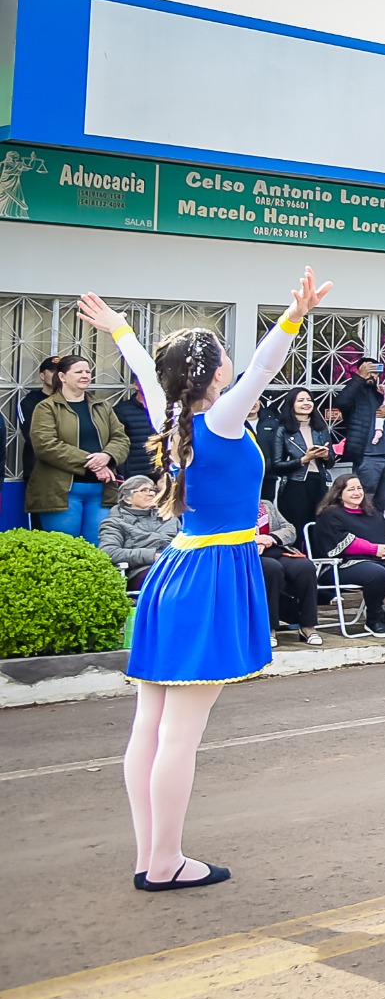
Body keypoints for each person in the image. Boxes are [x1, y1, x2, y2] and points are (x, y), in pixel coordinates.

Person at [78, 269, 329, 891]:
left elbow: (145, 368)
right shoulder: (220, 421)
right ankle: (164, 863)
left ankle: (153, 857)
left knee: (151, 725)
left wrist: (120, 329)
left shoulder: (170, 417)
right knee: (178, 735)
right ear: (215, 374)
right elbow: (265, 367)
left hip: (178, 570)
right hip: (210, 574)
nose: (231, 364)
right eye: (222, 356)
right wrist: (293, 317)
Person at [27, 353, 130, 540]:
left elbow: (120, 438)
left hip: (101, 491)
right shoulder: (46, 407)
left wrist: (107, 456)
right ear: (62, 376)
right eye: (78, 372)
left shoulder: (102, 406)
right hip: (61, 492)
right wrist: (93, 463)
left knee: (98, 547)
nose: (85, 375)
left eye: (88, 372)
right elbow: (46, 445)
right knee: (64, 547)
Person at [313, 473, 385, 638]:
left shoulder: (372, 513)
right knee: (377, 573)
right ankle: (374, 619)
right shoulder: (330, 515)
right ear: (339, 493)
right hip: (340, 565)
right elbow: (342, 541)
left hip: (379, 560)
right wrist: (374, 549)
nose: (357, 492)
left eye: (359, 488)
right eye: (351, 489)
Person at [335, 357, 385, 513]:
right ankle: (363, 527)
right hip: (368, 457)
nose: (372, 376)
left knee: (381, 500)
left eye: (375, 372)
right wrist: (360, 377)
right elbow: (341, 402)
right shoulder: (354, 393)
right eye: (368, 371)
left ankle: (377, 526)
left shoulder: (383, 393)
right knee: (364, 500)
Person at [256, 498, 322, 646]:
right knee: (272, 568)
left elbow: (290, 529)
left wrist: (271, 538)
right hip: (251, 555)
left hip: (277, 550)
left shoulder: (266, 505)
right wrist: (256, 540)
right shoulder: (231, 507)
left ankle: (307, 626)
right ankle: (269, 628)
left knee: (305, 567)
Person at [272, 386, 336, 531]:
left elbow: (331, 463)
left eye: (309, 400)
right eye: (301, 400)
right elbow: (277, 465)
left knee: (318, 524)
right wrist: (304, 459)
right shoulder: (282, 430)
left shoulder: (320, 428)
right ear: (292, 404)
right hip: (295, 483)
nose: (306, 403)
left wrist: (326, 456)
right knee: (298, 525)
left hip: (319, 481)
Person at [99, 476, 178, 589]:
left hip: (174, 563)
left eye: (153, 490)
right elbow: (108, 552)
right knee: (169, 578)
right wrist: (151, 555)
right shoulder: (114, 523)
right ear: (127, 498)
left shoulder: (168, 517)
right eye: (144, 490)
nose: (151, 494)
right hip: (139, 570)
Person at [19, 354, 61, 484]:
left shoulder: (75, 401)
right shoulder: (29, 402)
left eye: (60, 371)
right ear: (42, 376)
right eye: (52, 371)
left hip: (69, 471)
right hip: (38, 470)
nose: (57, 375)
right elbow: (33, 437)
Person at [113, 381, 158, 481]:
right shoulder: (121, 411)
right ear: (135, 385)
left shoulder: (165, 410)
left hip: (162, 475)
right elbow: (116, 443)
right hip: (133, 478)